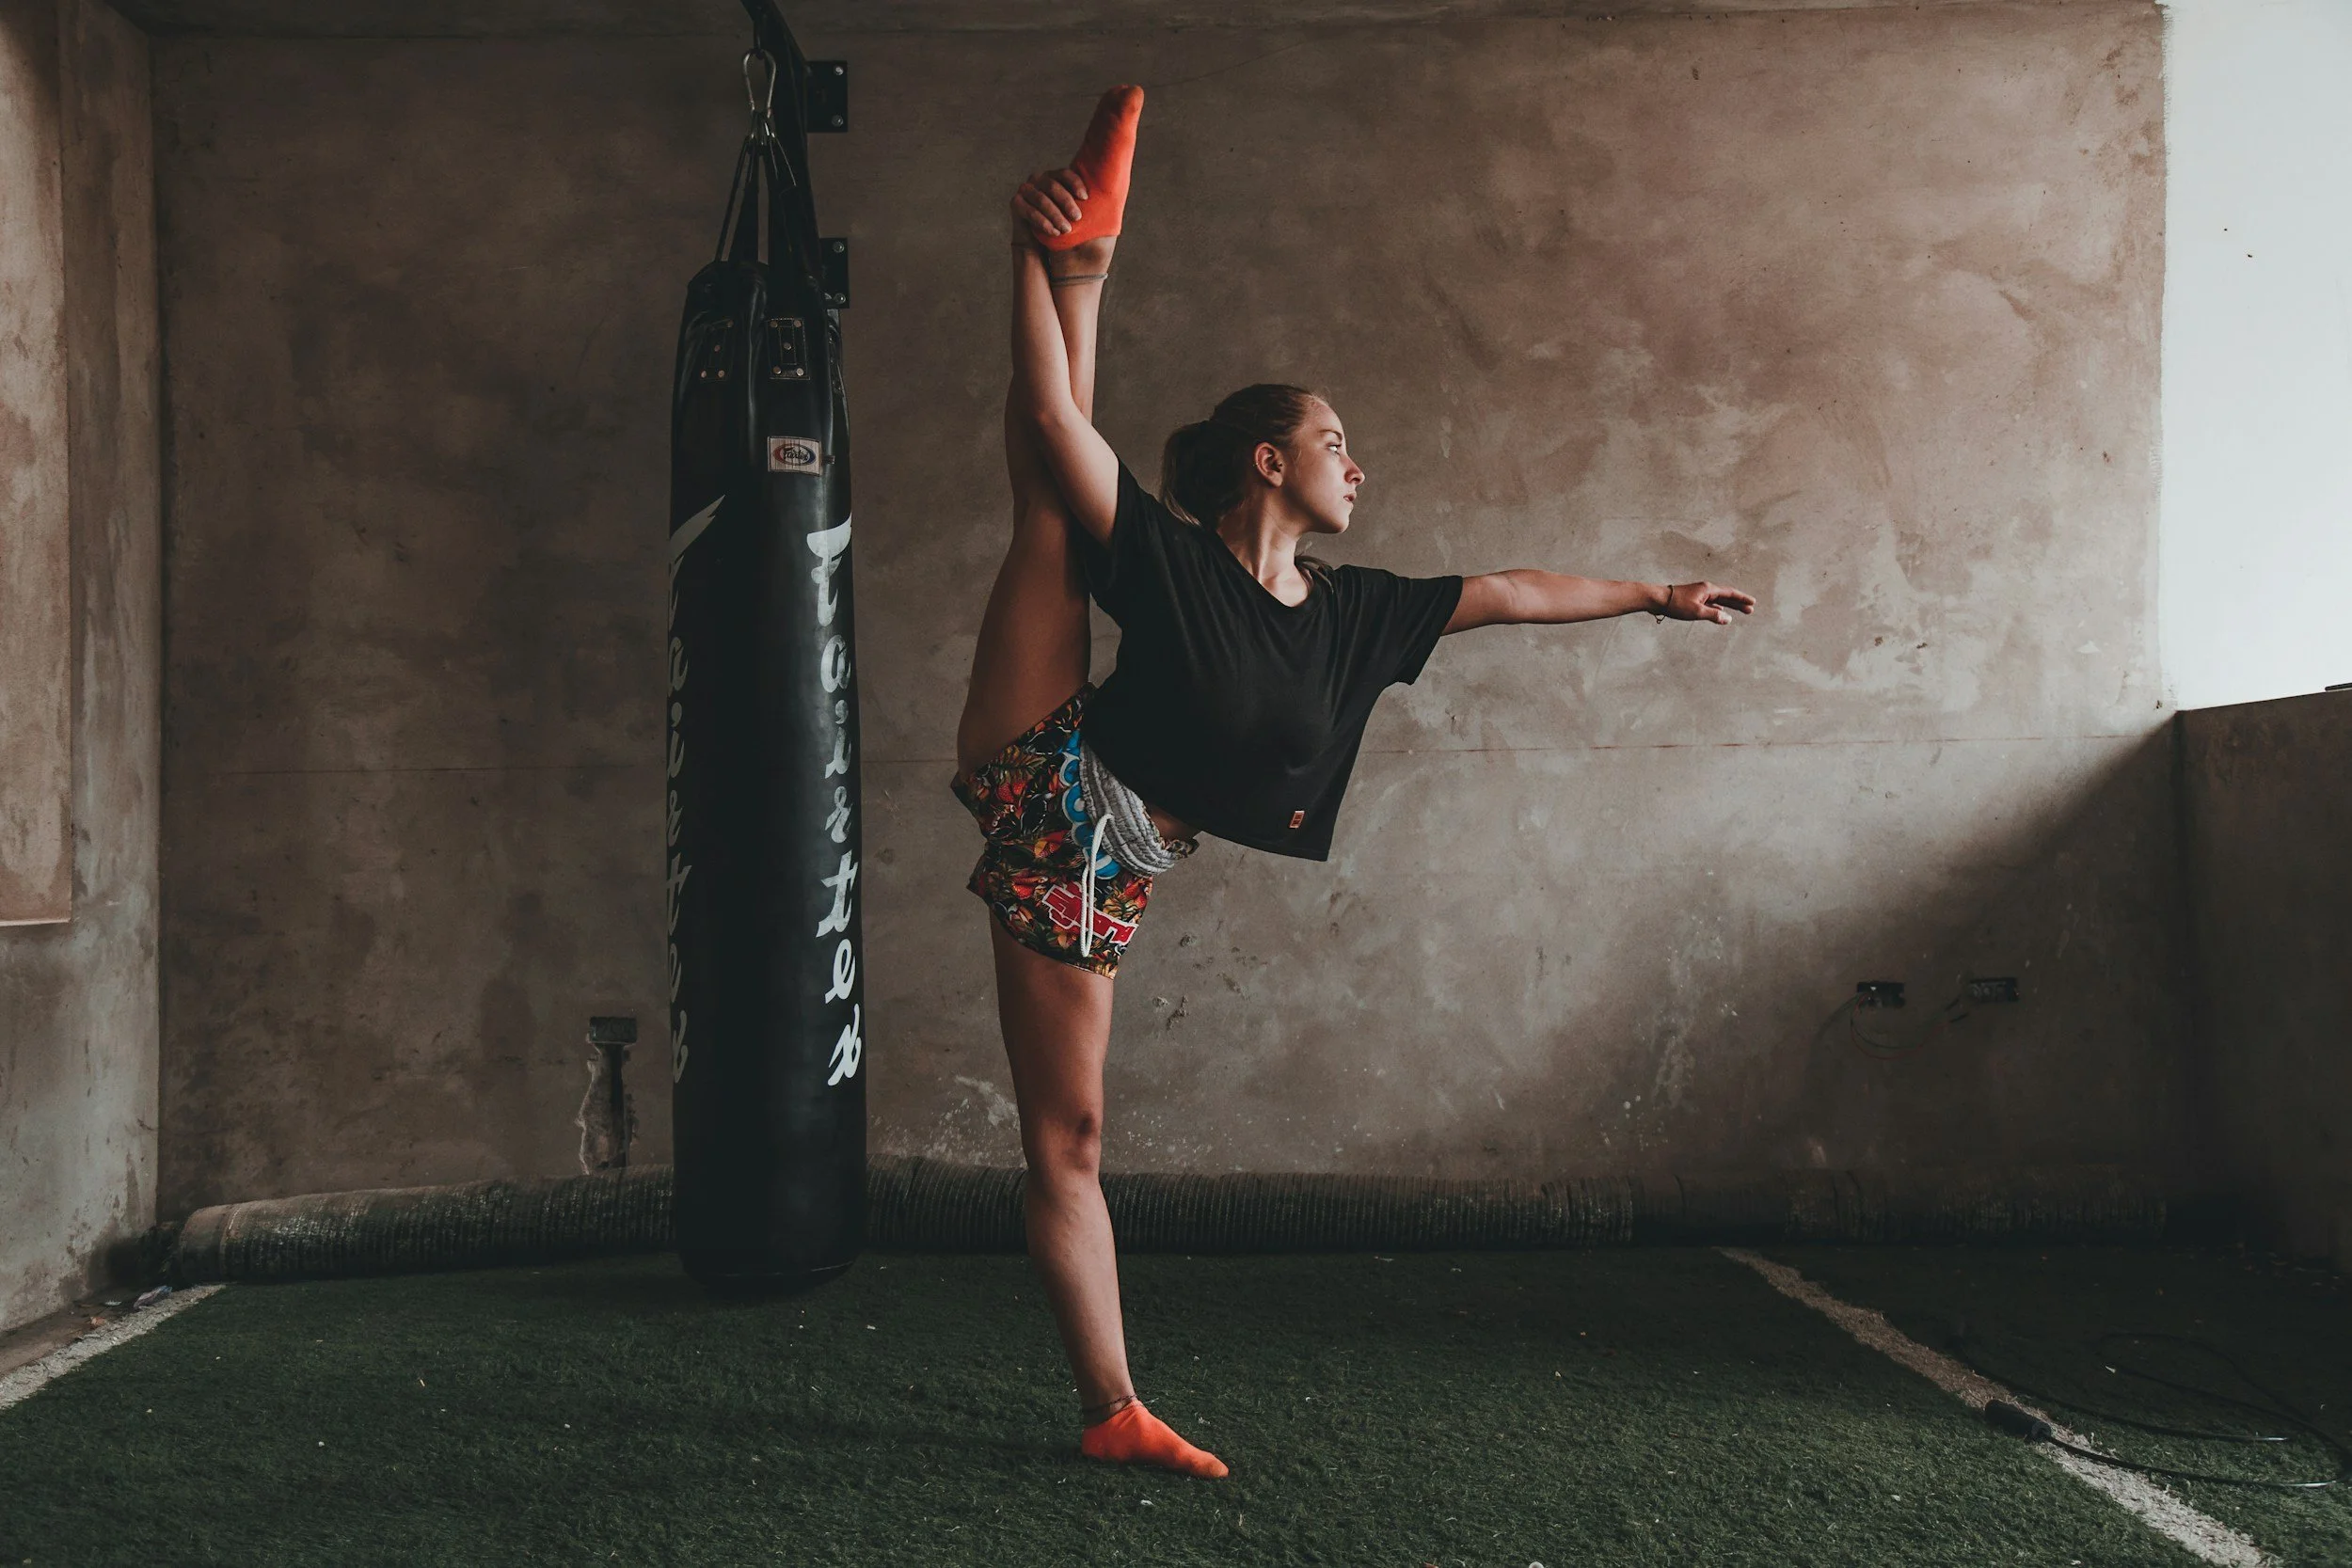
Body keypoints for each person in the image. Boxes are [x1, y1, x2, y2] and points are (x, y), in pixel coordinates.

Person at [951, 87, 1757, 1481]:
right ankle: (1077, 259)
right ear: (1270, 463)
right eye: (1336, 443)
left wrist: (1652, 593)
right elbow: (1049, 418)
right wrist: (1025, 258)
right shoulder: (1179, 560)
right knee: (1051, 500)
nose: (1359, 465)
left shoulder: (1356, 612)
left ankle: (1083, 258)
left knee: (1069, 1134)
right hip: (1055, 808)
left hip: (1119, 847)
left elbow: (1509, 590)